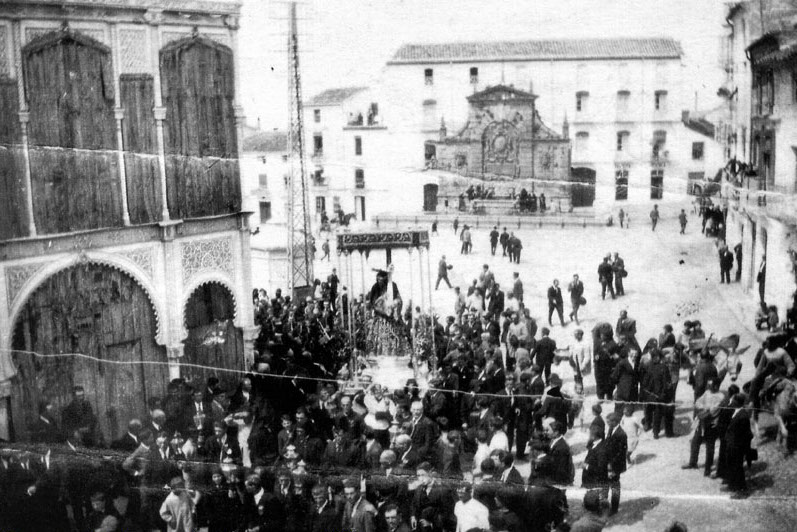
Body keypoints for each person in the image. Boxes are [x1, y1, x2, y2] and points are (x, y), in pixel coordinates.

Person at [683, 378, 724, 476]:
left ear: (716, 386)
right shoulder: (707, 393)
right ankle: (693, 462)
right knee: (695, 442)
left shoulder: (721, 396)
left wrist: (706, 408)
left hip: (711, 424)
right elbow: (698, 402)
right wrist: (703, 407)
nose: (709, 387)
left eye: (711, 385)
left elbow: (714, 410)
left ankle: (708, 468)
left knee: (710, 447)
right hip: (702, 422)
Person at [532, 420, 574, 486]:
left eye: (548, 430)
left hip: (558, 480)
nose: (546, 432)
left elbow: (559, 468)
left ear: (556, 432)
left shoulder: (561, 447)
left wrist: (541, 461)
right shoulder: (556, 440)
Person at [604, 413, 627, 515]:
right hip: (609, 463)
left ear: (614, 422)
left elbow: (620, 453)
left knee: (614, 486)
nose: (607, 424)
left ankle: (614, 508)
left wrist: (611, 465)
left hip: (615, 465)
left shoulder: (621, 434)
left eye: (608, 422)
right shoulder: (611, 429)